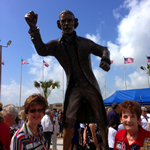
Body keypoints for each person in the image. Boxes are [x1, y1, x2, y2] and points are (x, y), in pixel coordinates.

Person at [25, 10, 111, 150]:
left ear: (75, 23)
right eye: (63, 21)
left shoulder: (85, 43)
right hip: (74, 88)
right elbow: (42, 50)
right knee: (68, 122)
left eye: (69, 20)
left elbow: (104, 49)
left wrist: (105, 58)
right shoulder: (56, 45)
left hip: (90, 86)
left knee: (101, 120)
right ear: (59, 24)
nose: (66, 23)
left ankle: (106, 148)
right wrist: (33, 29)